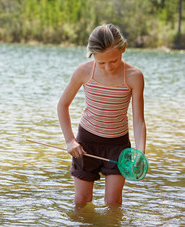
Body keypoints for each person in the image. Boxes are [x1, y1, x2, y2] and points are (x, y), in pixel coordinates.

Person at [57, 24, 146, 206]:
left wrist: (140, 153)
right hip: (86, 143)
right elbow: (62, 105)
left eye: (113, 60)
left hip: (118, 146)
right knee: (81, 202)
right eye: (101, 62)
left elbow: (138, 120)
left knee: (113, 203)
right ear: (92, 56)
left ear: (123, 48)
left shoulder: (134, 76)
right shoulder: (83, 72)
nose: (108, 67)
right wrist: (70, 141)